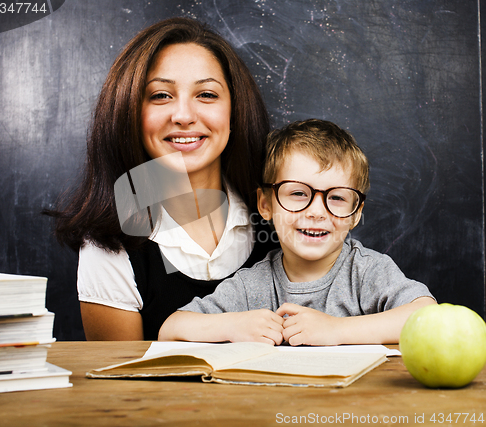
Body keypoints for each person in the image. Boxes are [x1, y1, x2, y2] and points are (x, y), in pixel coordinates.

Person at [46, 17, 278, 340]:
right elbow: (124, 384)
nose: (183, 116)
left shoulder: (285, 214)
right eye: (160, 96)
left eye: (207, 94)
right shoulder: (109, 244)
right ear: (130, 113)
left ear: (234, 112)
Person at [159, 119, 437, 346]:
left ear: (355, 213)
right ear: (265, 204)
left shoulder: (366, 272)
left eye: (337, 198)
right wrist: (231, 325)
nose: (317, 211)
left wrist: (336, 330)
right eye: (298, 193)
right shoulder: (251, 285)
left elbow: (427, 316)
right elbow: (171, 329)